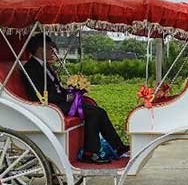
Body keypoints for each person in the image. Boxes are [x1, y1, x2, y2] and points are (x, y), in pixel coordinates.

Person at [22, 34, 128, 164]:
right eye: (50, 49)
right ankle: (90, 153)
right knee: (94, 113)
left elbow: (56, 88)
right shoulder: (31, 68)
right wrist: (67, 97)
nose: (53, 52)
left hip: (60, 102)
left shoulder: (46, 66)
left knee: (98, 111)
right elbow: (37, 94)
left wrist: (74, 92)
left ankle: (118, 147)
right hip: (50, 106)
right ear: (40, 49)